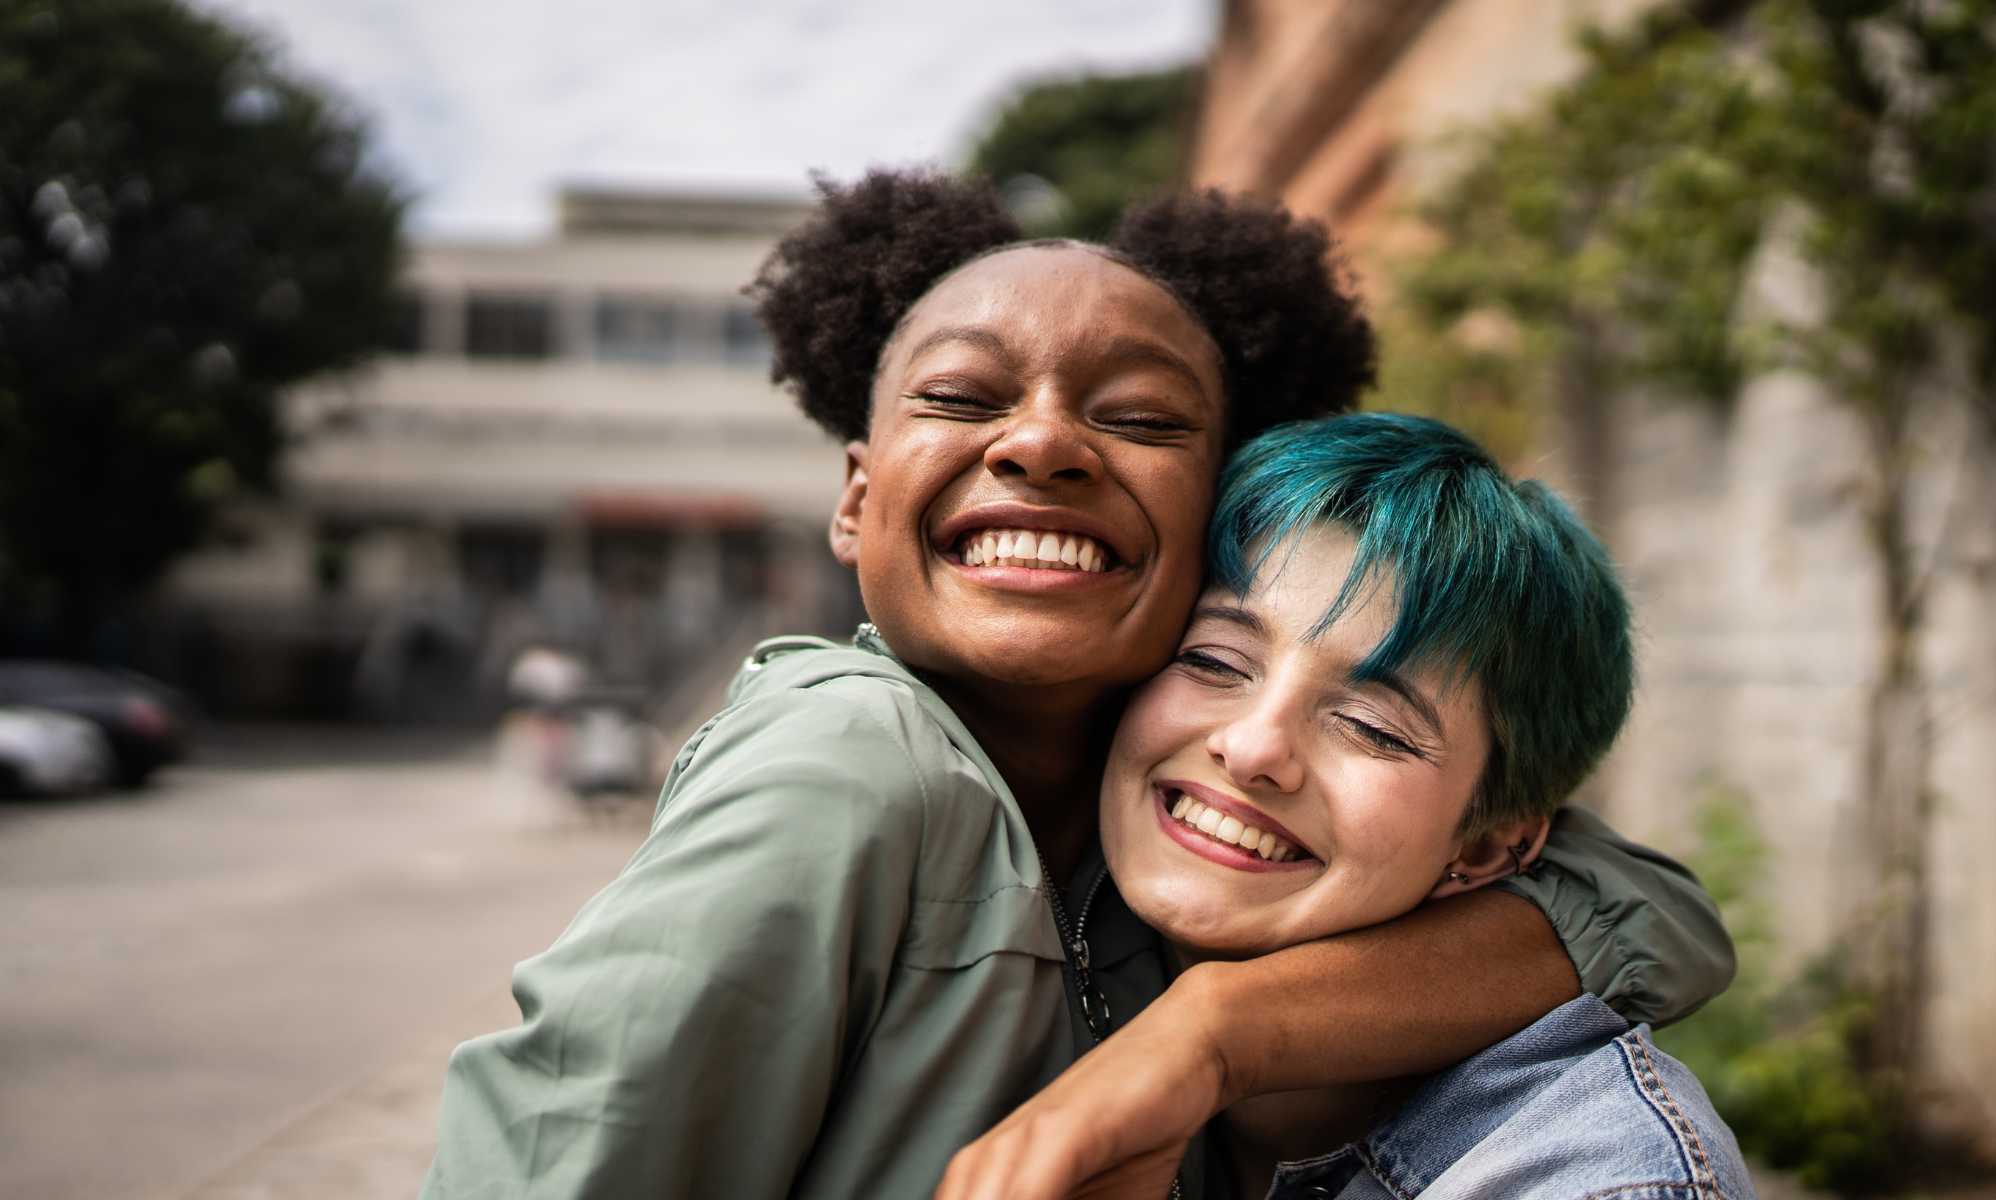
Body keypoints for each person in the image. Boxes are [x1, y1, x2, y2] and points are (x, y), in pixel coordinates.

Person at [421, 172, 1734, 1199]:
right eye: (958, 394)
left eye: (1142, 418)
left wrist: (1211, 1029)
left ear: (1207, 507)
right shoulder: (851, 770)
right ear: (856, 499)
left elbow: (1649, 910)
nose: (1043, 439)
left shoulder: (1151, 800)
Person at [943, 413, 1752, 1200]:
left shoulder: (1596, 1175)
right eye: (1216, 660)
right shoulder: (1018, 917)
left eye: (1371, 726)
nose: (1254, 747)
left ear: (1484, 848)